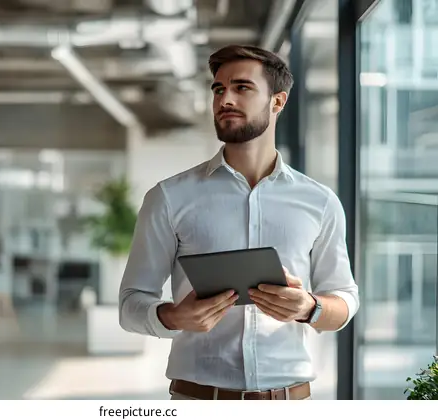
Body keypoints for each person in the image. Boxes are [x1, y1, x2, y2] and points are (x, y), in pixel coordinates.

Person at [118, 45, 359, 401]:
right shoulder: (169, 198)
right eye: (218, 89)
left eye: (241, 87)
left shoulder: (319, 202)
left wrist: (309, 307)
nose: (224, 98)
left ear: (277, 102)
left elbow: (345, 299)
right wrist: (173, 316)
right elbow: (130, 305)